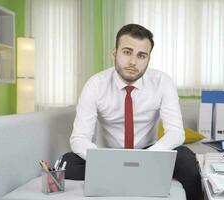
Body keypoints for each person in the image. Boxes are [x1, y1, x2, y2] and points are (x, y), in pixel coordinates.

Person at [63, 24, 202, 200]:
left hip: (150, 152)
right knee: (67, 163)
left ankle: (123, 176)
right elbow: (79, 138)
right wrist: (105, 161)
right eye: (127, 52)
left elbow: (176, 133)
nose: (133, 62)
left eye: (141, 55)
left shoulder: (162, 82)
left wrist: (145, 159)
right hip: (108, 154)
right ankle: (128, 176)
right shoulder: (95, 84)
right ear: (114, 53)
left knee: (187, 160)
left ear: (148, 59)